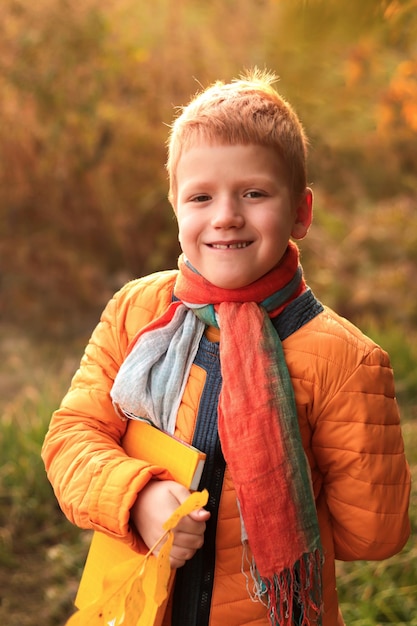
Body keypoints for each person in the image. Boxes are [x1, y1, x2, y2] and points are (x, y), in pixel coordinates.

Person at [42, 69, 411, 626]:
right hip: (140, 606)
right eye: (201, 196)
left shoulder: (345, 360)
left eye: (254, 193)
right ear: (176, 208)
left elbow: (374, 533)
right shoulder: (137, 312)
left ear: (301, 212)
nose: (226, 215)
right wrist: (135, 497)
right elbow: (71, 436)